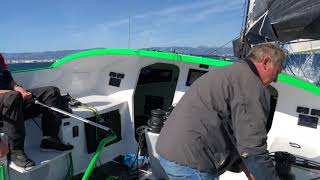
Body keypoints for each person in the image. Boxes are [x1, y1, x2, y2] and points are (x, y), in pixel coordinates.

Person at [156, 43, 285, 180]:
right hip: (190, 162)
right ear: (266, 62)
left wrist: (246, 168)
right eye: (277, 72)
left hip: (169, 151)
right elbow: (252, 147)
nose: (275, 79)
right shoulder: (252, 85)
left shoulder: (232, 72)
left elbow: (231, 128)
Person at [0, 53, 73, 169]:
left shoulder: (2, 65)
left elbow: (12, 84)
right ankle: (16, 152)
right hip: (5, 108)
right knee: (12, 97)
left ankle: (50, 139)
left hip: (13, 102)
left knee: (51, 92)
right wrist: (15, 95)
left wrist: (23, 92)